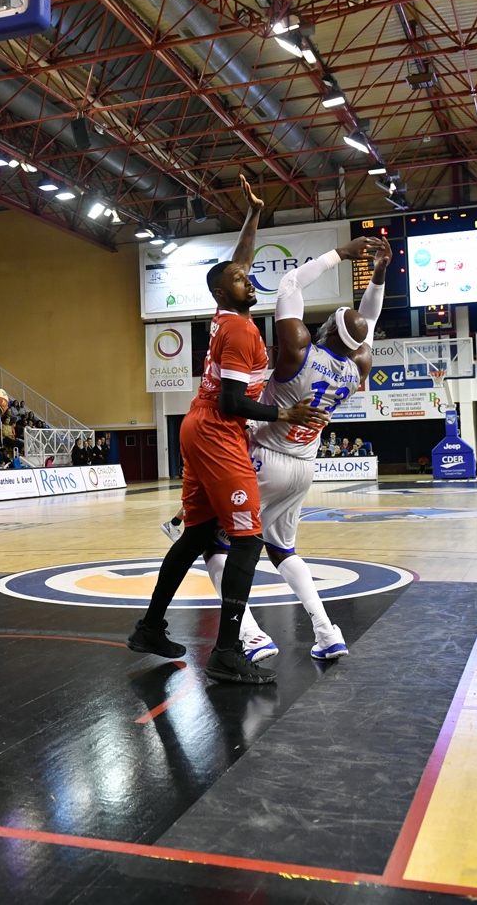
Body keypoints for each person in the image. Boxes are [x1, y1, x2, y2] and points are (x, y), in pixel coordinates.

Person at [126, 176, 326, 685]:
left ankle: (151, 627)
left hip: (199, 425)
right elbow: (236, 402)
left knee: (195, 534)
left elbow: (237, 263)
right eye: (241, 279)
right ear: (224, 291)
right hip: (217, 429)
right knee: (247, 539)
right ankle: (227, 650)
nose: (249, 278)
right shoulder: (239, 330)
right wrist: (284, 415)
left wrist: (253, 216)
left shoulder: (224, 315)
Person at [201, 233, 387, 663]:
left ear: (324, 329)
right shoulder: (359, 367)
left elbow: (289, 286)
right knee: (283, 549)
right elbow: (369, 322)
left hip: (265, 458)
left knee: (215, 544)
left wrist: (340, 254)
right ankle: (327, 633)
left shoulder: (297, 353)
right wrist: (377, 273)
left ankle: (250, 635)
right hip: (305, 467)